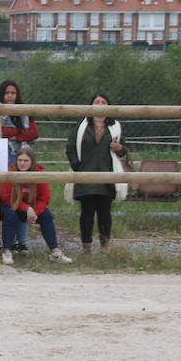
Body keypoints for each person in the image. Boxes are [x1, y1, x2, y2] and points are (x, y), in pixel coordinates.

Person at [65, 92, 126, 255]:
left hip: (108, 176)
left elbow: (123, 150)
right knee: (87, 213)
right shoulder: (80, 127)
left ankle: (105, 246)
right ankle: (86, 247)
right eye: (96, 101)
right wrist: (76, 166)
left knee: (105, 213)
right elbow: (70, 147)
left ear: (109, 106)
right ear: (90, 105)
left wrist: (119, 149)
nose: (100, 104)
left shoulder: (115, 127)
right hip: (86, 177)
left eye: (104, 101)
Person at [0, 145, 72, 265]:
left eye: (26, 160)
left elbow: (45, 198)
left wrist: (34, 213)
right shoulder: (10, 173)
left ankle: (55, 252)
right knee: (10, 215)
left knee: (47, 216)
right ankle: (7, 250)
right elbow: (7, 198)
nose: (22, 163)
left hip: (32, 209)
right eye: (20, 160)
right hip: (12, 206)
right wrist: (27, 208)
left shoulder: (39, 174)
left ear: (32, 161)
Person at [0, 80, 38, 162]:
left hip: (24, 149)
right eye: (7, 93)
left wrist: (17, 137)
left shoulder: (24, 110)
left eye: (13, 93)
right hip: (4, 150)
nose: (10, 96)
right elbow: (3, 132)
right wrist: (21, 130)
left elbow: (34, 132)